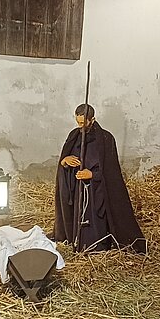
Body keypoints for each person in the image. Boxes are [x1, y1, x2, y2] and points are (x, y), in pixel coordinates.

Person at [55, 104, 146, 252]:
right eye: (78, 123)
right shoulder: (74, 136)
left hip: (96, 191)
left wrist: (92, 175)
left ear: (92, 120)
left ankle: (97, 245)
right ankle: (78, 242)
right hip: (78, 189)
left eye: (83, 123)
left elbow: (111, 172)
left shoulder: (105, 139)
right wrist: (65, 162)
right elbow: (64, 162)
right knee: (78, 217)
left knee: (95, 223)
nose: (80, 127)